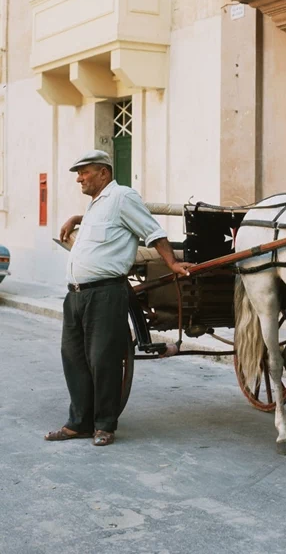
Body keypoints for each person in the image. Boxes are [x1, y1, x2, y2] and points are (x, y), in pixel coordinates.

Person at [45, 150, 192, 447]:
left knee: (103, 359)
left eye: (84, 171)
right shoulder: (98, 206)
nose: (79, 177)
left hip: (105, 293)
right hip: (75, 295)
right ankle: (79, 423)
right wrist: (77, 217)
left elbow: (153, 232)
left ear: (103, 173)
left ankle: (104, 425)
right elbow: (106, 224)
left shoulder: (123, 197)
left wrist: (173, 264)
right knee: (73, 358)